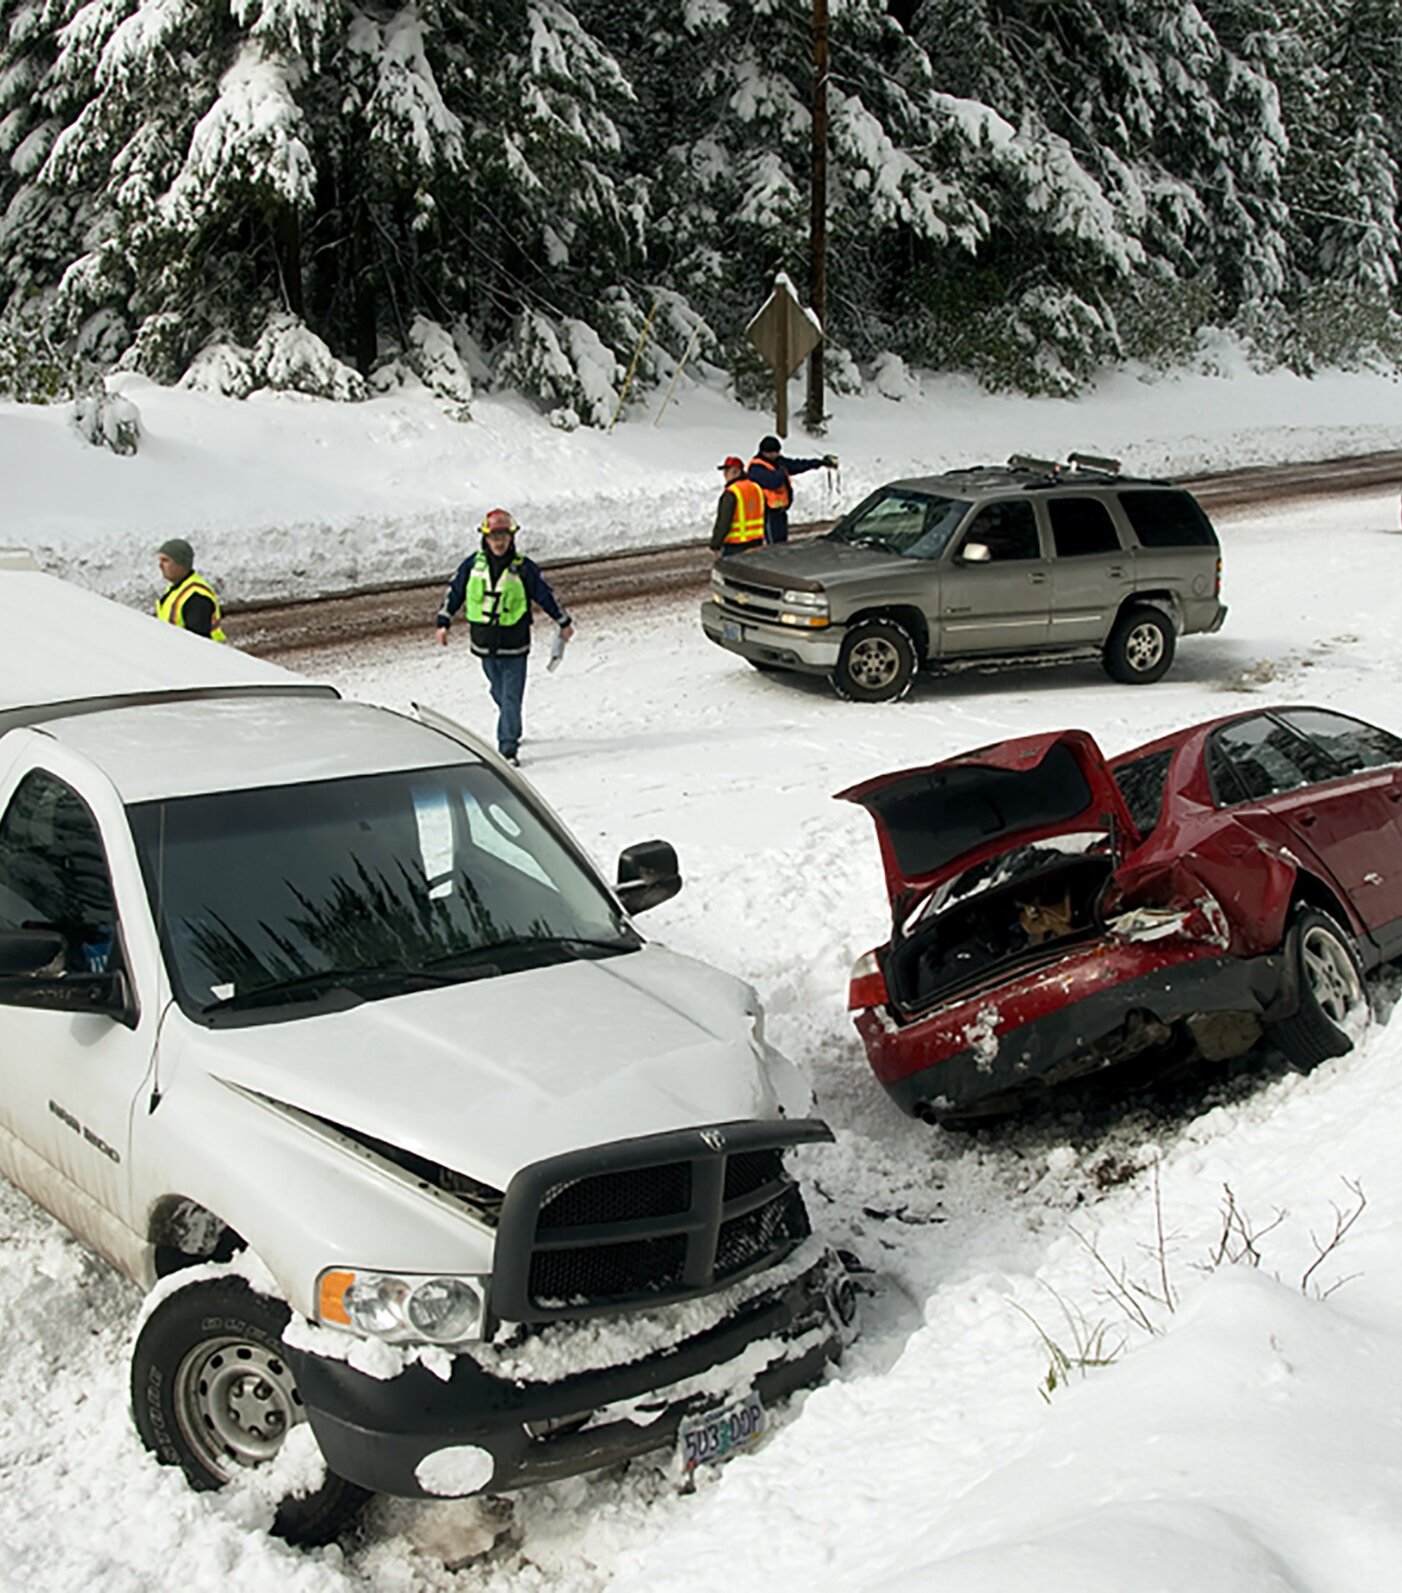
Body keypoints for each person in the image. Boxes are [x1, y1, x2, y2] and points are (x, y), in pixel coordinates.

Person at [436, 509, 574, 766]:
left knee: (511, 696)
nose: (499, 542)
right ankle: (512, 724)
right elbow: (454, 593)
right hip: (484, 643)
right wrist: (443, 622)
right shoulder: (472, 566)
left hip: (515, 644)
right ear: (485, 538)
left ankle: (508, 748)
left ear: (511, 537)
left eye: (504, 536)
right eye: (494, 536)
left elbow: (545, 595)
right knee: (499, 692)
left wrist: (563, 621)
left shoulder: (524, 568)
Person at [746, 435, 838, 544]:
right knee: (773, 544)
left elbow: (797, 465)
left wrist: (819, 463)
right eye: (773, 453)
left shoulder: (777, 462)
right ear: (765, 452)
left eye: (777, 452)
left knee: (781, 541)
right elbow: (774, 482)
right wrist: (782, 471)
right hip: (767, 512)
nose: (776, 455)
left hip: (779, 510)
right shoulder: (756, 468)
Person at [155, 537, 226, 640]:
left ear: (181, 564)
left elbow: (197, 644)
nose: (160, 566)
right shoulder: (176, 588)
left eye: (165, 560)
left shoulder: (196, 598)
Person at [711, 456, 767, 555]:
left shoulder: (732, 492)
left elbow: (724, 521)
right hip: (756, 542)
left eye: (727, 472)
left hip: (735, 545)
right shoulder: (757, 488)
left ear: (736, 472)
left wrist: (716, 543)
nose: (725, 475)